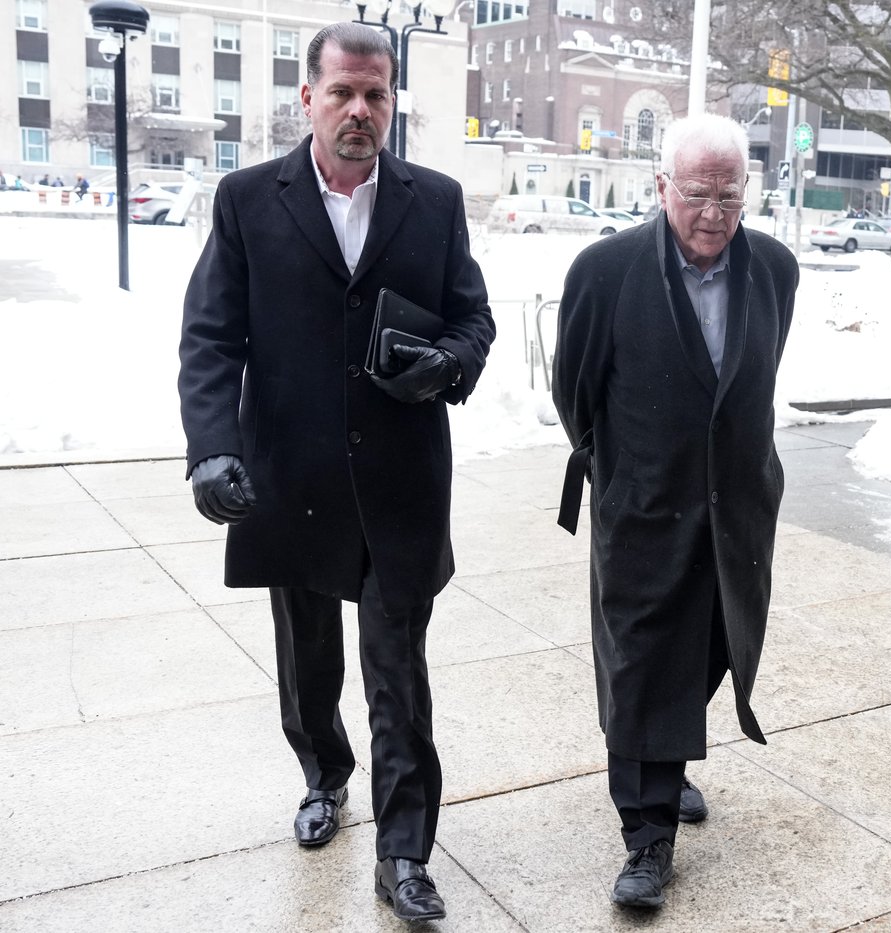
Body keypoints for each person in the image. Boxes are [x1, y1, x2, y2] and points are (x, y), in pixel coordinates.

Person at [177, 22, 495, 924]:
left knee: (398, 668)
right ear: (308, 97)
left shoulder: (435, 200)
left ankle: (405, 852)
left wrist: (448, 363)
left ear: (392, 101)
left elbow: (472, 318)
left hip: (400, 480)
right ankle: (324, 773)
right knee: (308, 654)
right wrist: (212, 448)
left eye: (376, 94)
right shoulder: (247, 200)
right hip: (293, 475)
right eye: (344, 92)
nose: (360, 110)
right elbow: (211, 337)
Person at [552, 113, 799, 910]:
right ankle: (647, 831)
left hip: (738, 507)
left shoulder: (775, 269)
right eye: (697, 194)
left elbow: (754, 377)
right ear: (662, 187)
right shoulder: (605, 272)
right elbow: (574, 391)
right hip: (645, 506)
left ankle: (666, 754)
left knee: (715, 644)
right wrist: (625, 471)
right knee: (643, 663)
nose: (714, 214)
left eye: (730, 196)